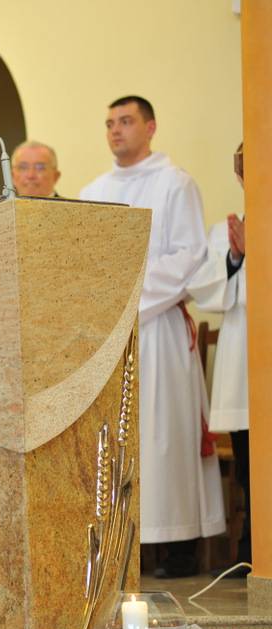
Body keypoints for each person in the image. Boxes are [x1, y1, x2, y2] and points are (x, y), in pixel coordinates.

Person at [80, 95, 225, 578]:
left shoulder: (176, 183)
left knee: (165, 434)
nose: (115, 130)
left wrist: (128, 298)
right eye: (109, 123)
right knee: (118, 438)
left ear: (150, 127)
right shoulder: (94, 190)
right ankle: (123, 546)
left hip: (157, 325)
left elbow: (189, 256)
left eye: (126, 121)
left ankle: (177, 545)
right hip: (110, 334)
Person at [187, 143, 250, 577]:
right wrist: (236, 256)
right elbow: (205, 291)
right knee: (248, 460)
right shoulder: (226, 231)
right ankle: (250, 550)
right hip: (243, 353)